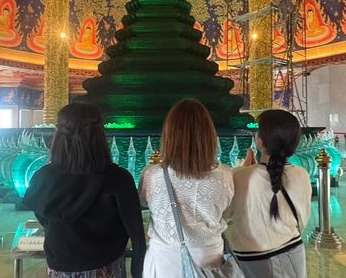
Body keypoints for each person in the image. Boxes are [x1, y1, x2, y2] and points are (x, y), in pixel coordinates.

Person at [23, 103, 146, 278]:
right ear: (100, 136)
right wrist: (138, 269)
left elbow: (44, 217)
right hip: (106, 266)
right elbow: (136, 232)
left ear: (59, 136)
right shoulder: (119, 179)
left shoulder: (42, 177)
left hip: (61, 264)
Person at [139, 98, 234, 278]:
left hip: (164, 261)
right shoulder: (225, 175)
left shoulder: (151, 174)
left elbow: (143, 202)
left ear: (169, 135)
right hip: (210, 260)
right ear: (209, 136)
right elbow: (227, 210)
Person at [225, 109, 311, 278]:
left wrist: (244, 170)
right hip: (291, 251)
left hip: (250, 258)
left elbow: (225, 217)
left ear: (260, 141)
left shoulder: (239, 176)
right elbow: (302, 220)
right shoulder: (301, 174)